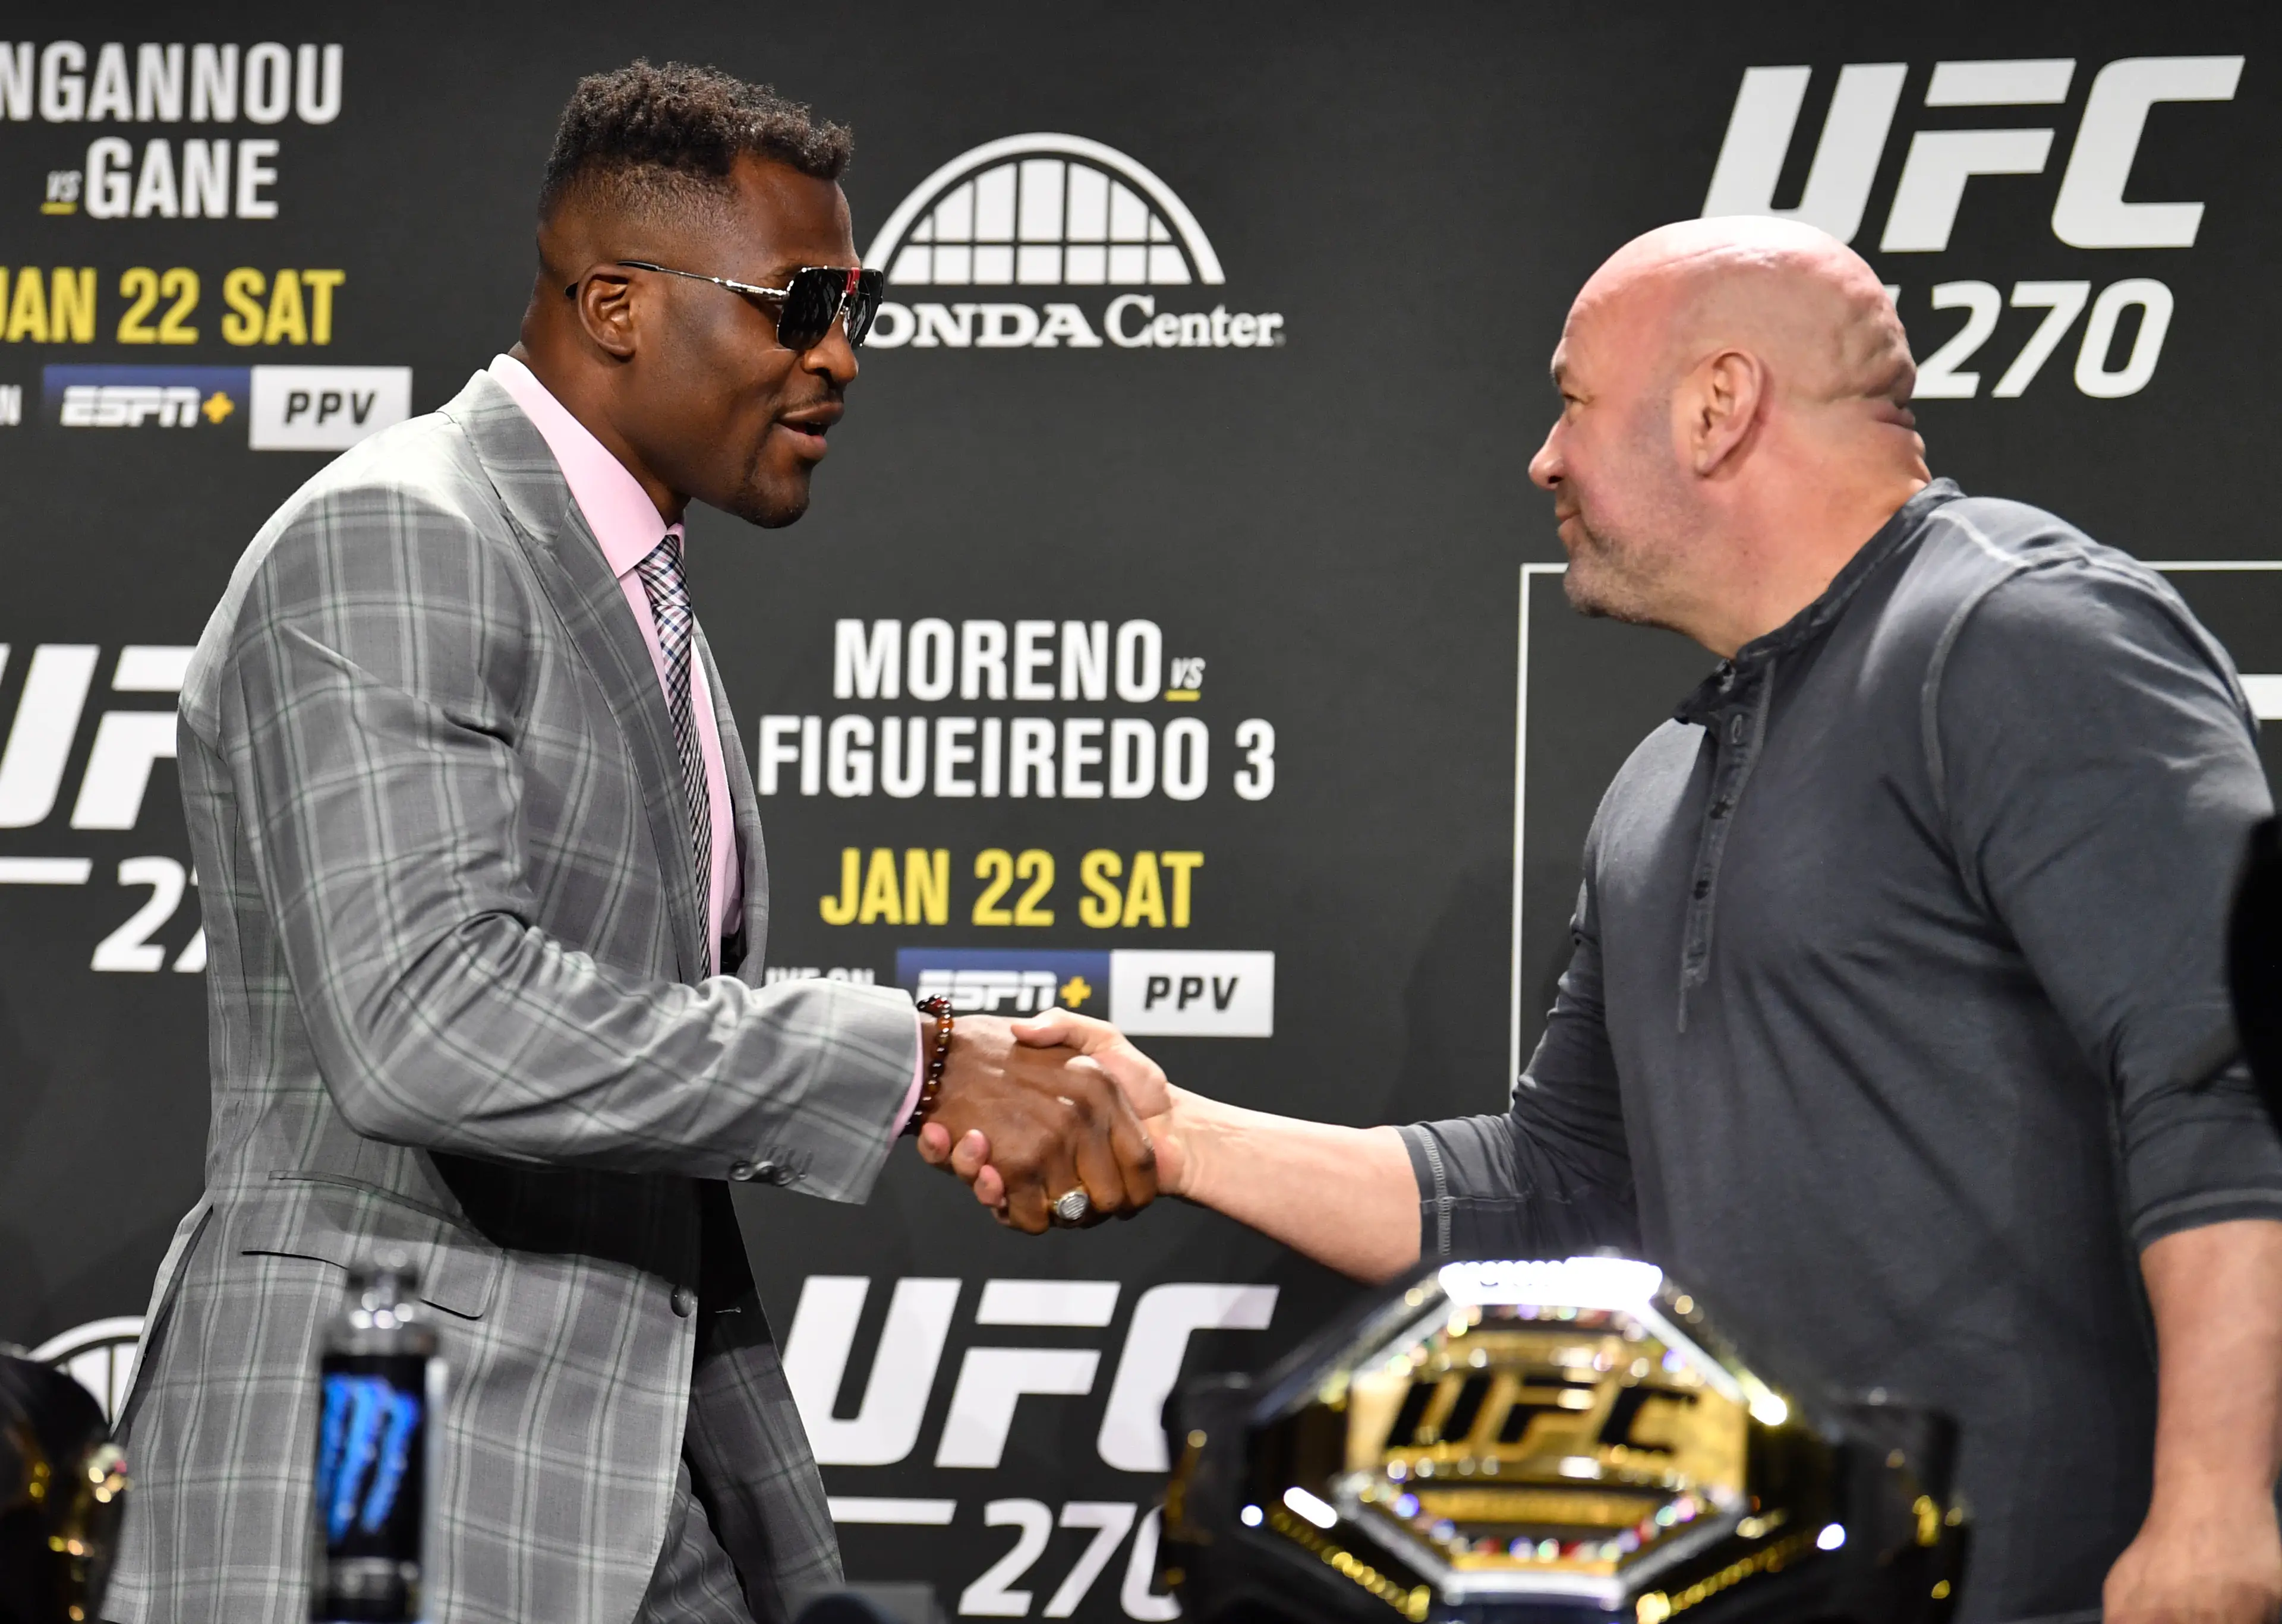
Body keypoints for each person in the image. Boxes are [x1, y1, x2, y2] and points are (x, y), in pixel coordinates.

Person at [937, 217, 2282, 1624]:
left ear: (1718, 406)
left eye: (1574, 401)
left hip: (2057, 1587)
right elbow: (1558, 1190)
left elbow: (2219, 1070)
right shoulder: (1667, 776)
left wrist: (2214, 1506)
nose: (1544, 458)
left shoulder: (2020, 634)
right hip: (1765, 1591)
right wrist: (1179, 1135)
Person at [108, 62, 1155, 1624]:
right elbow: (426, 1024)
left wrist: (765, 1535)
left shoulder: (633, 596)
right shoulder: (404, 533)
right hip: (379, 1449)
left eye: (858, 307)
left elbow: (640, 1128)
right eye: (801, 306)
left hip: (621, 1486)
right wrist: (916, 1063)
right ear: (616, 305)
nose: (842, 355)